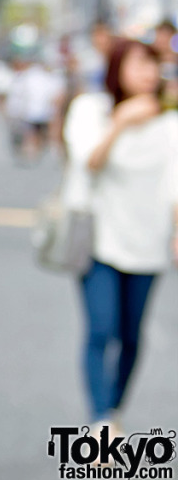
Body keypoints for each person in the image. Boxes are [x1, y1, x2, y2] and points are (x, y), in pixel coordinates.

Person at [62, 39, 178, 434]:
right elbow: (89, 161)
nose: (149, 72)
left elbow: (174, 184)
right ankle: (101, 420)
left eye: (154, 64)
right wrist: (121, 123)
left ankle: (113, 409)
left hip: (149, 240)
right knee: (101, 328)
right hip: (99, 238)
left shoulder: (169, 122)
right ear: (117, 67)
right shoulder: (90, 110)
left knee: (131, 334)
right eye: (139, 63)